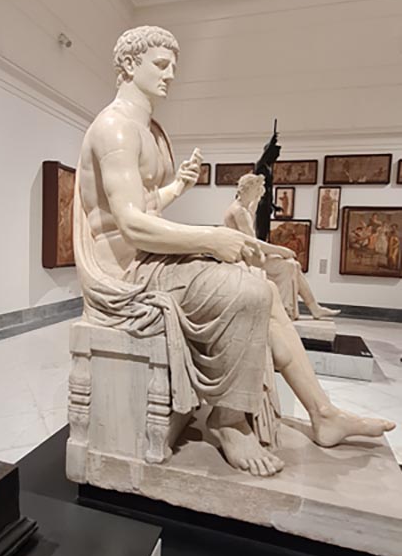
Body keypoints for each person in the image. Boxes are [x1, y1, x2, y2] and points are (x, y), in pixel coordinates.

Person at [75, 26, 394, 477]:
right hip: (128, 274)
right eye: (161, 66)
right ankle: (228, 420)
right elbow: (128, 224)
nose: (171, 76)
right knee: (247, 293)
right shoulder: (116, 128)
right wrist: (210, 239)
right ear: (129, 65)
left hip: (148, 257)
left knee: (258, 281)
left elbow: (143, 207)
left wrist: (177, 187)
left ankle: (324, 413)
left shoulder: (145, 130)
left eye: (173, 67)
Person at [225, 174, 340, 321]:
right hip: (246, 258)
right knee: (287, 266)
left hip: (253, 254)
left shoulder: (243, 208)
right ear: (248, 189)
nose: (260, 191)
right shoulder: (239, 211)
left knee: (295, 265)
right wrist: (280, 250)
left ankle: (314, 308)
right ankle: (284, 310)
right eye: (257, 189)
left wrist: (257, 199)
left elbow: (251, 214)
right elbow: (252, 242)